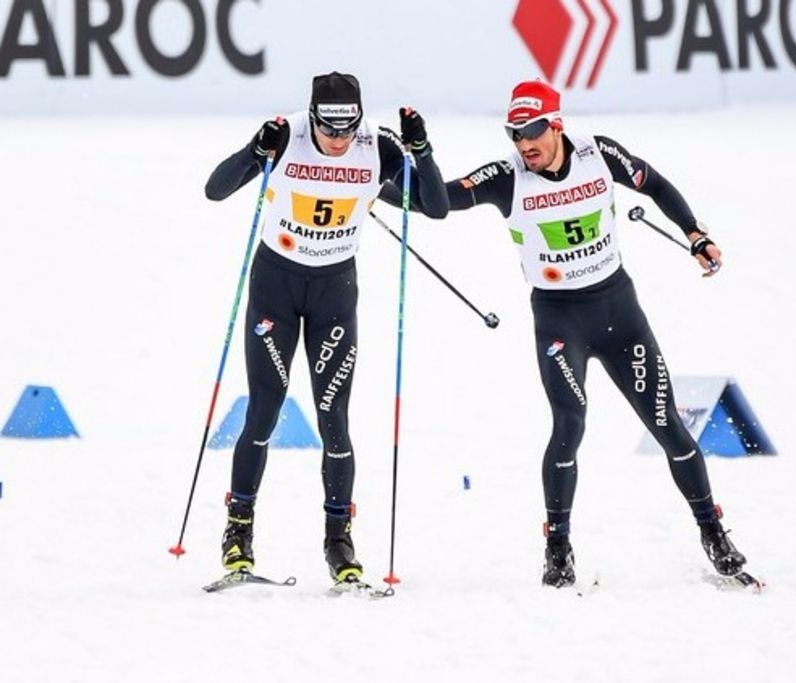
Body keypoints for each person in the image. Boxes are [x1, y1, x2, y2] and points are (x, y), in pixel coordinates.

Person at [396, 80, 748, 587]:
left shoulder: (597, 154)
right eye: (514, 134)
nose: (524, 145)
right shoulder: (506, 177)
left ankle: (713, 533)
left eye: (534, 131)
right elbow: (437, 203)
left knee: (667, 425)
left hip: (618, 312)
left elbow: (657, 185)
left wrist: (694, 233)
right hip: (559, 319)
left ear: (556, 125)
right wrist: (381, 183)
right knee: (569, 425)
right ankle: (557, 546)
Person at [204, 72, 448, 584]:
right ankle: (238, 532)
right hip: (277, 285)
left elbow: (436, 207)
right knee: (264, 412)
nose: (338, 142)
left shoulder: (375, 148)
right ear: (311, 117)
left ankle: (338, 541)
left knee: (334, 418)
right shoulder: (286, 135)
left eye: (347, 130)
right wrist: (255, 151)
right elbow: (215, 189)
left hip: (334, 296)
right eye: (328, 130)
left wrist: (421, 151)